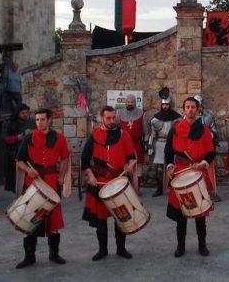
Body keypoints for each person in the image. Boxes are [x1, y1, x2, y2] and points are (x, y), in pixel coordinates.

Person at [15, 108, 71, 269]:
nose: (39, 122)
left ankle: (54, 254)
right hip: (33, 183)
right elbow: (19, 161)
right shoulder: (28, 138)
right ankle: (29, 257)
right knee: (31, 219)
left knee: (53, 219)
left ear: (50, 120)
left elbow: (65, 157)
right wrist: (28, 170)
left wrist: (61, 176)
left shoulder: (59, 138)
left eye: (42, 119)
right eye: (37, 120)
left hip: (52, 181)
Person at [82, 106, 137, 261]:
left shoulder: (123, 135)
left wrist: (130, 165)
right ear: (101, 118)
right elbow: (85, 160)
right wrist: (91, 175)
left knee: (121, 218)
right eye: (108, 118)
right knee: (101, 220)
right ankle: (103, 250)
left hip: (119, 181)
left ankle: (121, 249)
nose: (112, 121)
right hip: (100, 183)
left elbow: (132, 157)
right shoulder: (94, 136)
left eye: (114, 118)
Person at [165, 97, 215, 257]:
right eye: (187, 107)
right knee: (181, 213)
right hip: (180, 172)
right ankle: (180, 246)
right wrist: (169, 167)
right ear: (184, 109)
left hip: (198, 173)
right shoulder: (175, 129)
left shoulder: (205, 130)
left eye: (193, 107)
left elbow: (211, 154)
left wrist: (203, 164)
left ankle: (202, 245)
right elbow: (168, 152)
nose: (190, 109)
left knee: (200, 213)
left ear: (198, 109)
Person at [148, 93, 181, 197]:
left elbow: (180, 133)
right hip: (160, 144)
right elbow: (152, 135)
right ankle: (159, 189)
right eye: (163, 105)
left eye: (167, 104)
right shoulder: (156, 119)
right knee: (159, 169)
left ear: (170, 105)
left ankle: (173, 188)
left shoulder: (177, 118)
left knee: (173, 167)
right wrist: (150, 147)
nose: (165, 106)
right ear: (161, 105)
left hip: (173, 144)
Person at [116, 94, 148, 187]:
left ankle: (136, 188)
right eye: (128, 102)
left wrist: (146, 144)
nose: (130, 103)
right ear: (125, 102)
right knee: (124, 165)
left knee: (138, 166)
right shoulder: (119, 113)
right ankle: (125, 188)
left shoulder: (141, 113)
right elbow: (115, 129)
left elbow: (146, 131)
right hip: (123, 145)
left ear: (135, 102)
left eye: (132, 102)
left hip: (137, 144)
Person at [195, 94, 221, 202]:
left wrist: (210, 134)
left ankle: (212, 193)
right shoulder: (187, 118)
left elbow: (215, 133)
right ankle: (198, 193)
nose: (198, 108)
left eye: (199, 105)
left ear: (201, 106)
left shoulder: (208, 116)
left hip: (207, 147)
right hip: (194, 149)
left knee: (210, 171)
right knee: (196, 172)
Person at [4, 104, 34, 193]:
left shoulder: (32, 122)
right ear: (18, 113)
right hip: (15, 154)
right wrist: (17, 137)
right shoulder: (11, 124)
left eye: (26, 112)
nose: (25, 114)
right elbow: (5, 139)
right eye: (23, 113)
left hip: (30, 155)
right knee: (17, 181)